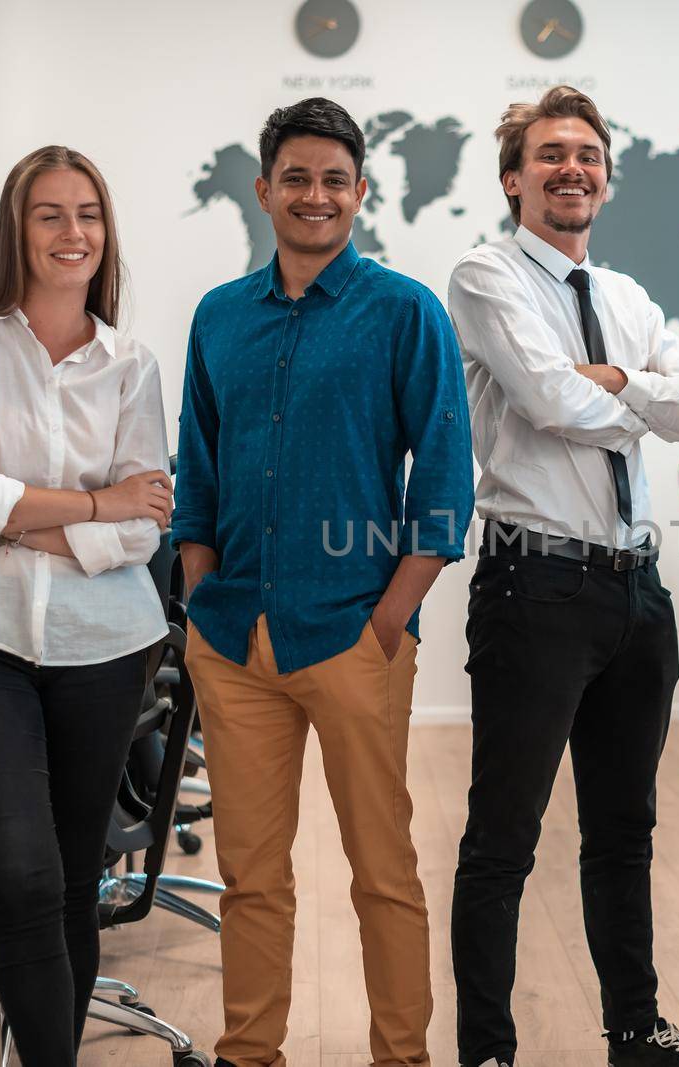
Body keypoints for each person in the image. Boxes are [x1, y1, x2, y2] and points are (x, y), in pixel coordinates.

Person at [171, 97, 473, 1067]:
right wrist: (198, 590)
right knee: (250, 877)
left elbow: (444, 482)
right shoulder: (218, 316)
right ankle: (247, 1052)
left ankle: (402, 1056)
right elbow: (198, 469)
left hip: (352, 635)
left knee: (382, 871)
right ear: (263, 190)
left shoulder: (405, 311)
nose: (315, 195)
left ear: (360, 192)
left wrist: (388, 621)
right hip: (234, 643)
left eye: (334, 180)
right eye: (296, 178)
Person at [446, 85, 679, 1067]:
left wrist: (621, 384)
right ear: (514, 176)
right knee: (502, 838)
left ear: (606, 176)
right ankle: (487, 1048)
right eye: (550, 153)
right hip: (538, 590)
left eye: (588, 153)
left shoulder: (627, 297)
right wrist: (634, 391)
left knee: (625, 831)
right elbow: (549, 399)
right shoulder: (485, 277)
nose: (572, 167)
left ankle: (634, 1033)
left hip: (636, 595)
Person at [0, 145, 172, 1065]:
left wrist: (3, 506)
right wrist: (92, 503)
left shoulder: (130, 365)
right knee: (18, 873)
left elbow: (147, 528)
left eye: (87, 213)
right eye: (49, 213)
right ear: (17, 228)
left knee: (69, 883)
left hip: (102, 643)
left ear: (107, 232)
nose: (72, 232)